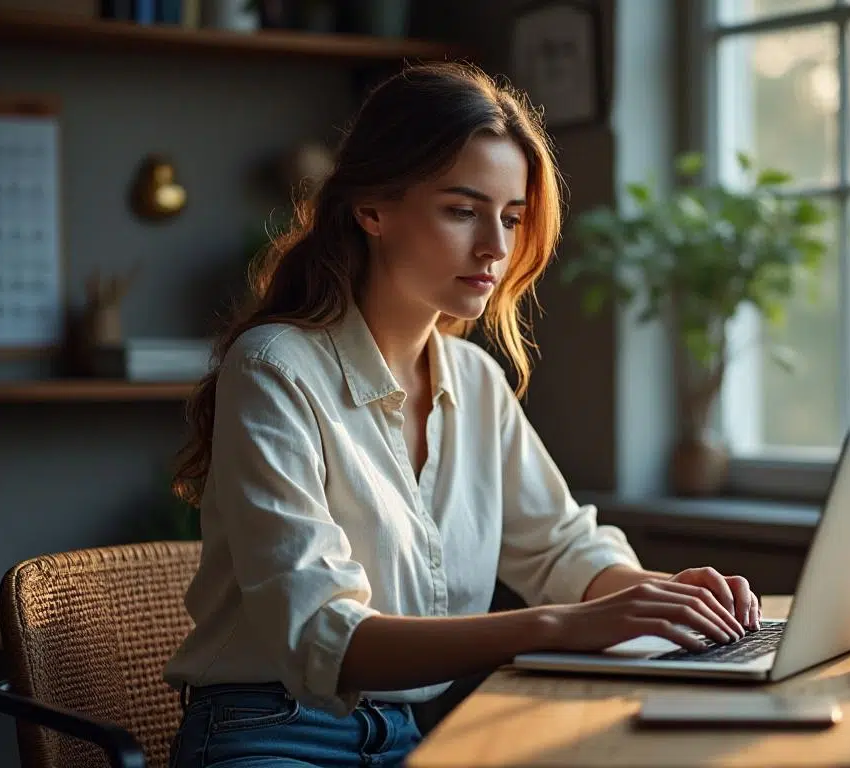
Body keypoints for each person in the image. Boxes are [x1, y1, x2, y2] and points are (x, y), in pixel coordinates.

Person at [163, 61, 761, 768]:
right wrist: (561, 625)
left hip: (412, 736)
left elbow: (564, 551)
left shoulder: (475, 380)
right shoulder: (273, 369)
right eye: (461, 210)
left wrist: (666, 600)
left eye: (511, 218)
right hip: (269, 732)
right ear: (373, 208)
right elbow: (325, 634)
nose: (496, 248)